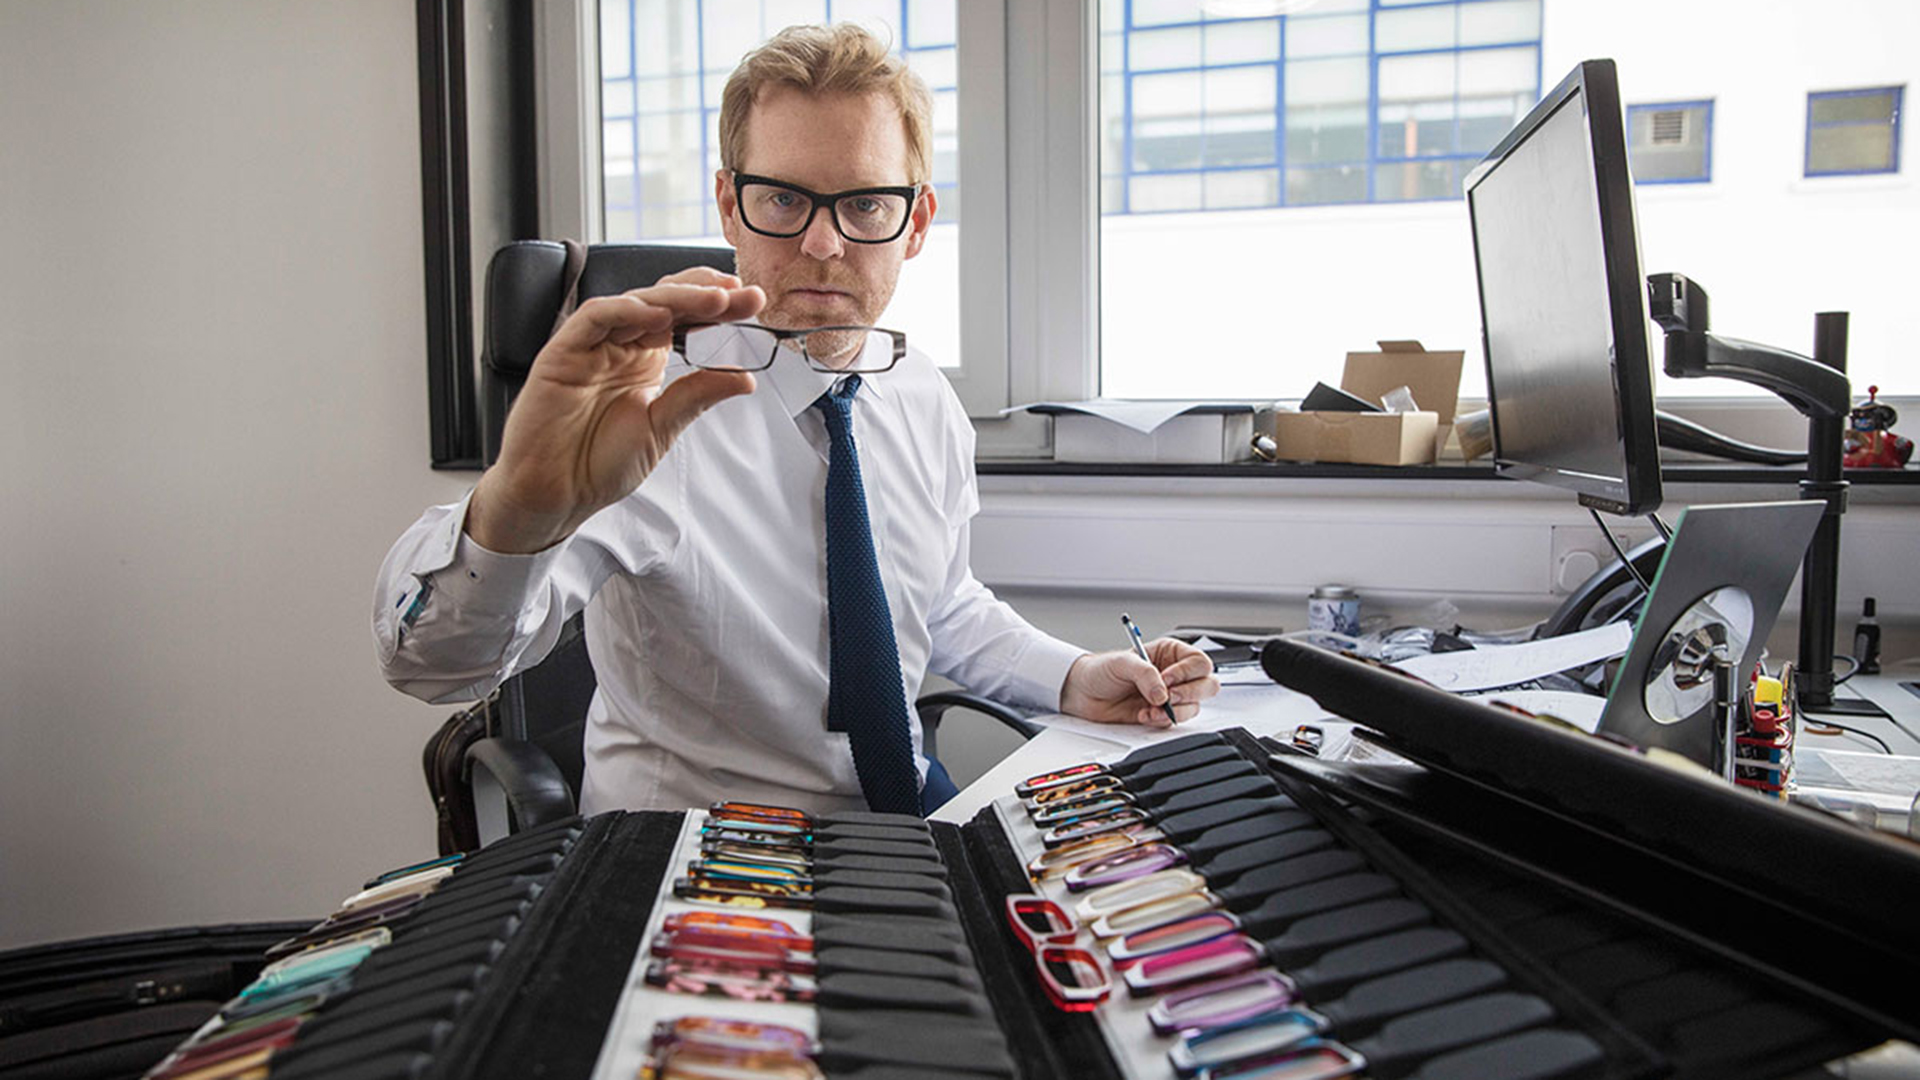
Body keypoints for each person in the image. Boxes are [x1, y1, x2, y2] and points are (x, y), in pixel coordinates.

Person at [374, 23, 1219, 816]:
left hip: (901, 833)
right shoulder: (644, 413)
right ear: (729, 204)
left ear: (914, 222)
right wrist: (518, 509)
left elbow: (941, 605)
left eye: (864, 205)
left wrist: (1074, 674)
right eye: (782, 200)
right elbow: (434, 665)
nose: (823, 244)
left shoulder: (919, 392)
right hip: (701, 861)